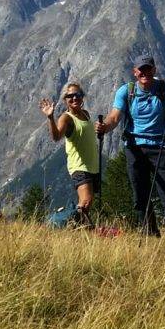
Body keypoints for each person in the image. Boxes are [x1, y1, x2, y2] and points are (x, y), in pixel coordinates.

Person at [95, 54, 165, 238]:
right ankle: (149, 232)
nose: (145, 73)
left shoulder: (164, 89)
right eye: (141, 69)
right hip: (134, 148)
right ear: (135, 72)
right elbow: (115, 117)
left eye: (148, 69)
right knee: (140, 192)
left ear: (154, 70)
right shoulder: (125, 91)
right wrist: (105, 127)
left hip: (160, 145)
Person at [39, 82, 99, 227]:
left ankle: (78, 228)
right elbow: (56, 136)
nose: (74, 98)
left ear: (82, 97)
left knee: (87, 203)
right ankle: (61, 224)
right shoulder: (66, 118)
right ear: (65, 100)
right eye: (69, 96)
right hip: (79, 166)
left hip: (92, 166)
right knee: (86, 201)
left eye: (77, 95)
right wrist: (50, 117)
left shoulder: (85, 114)